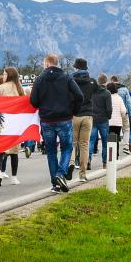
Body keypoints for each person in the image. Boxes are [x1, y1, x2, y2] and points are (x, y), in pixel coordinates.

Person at [30, 54, 83, 193]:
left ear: (47, 64)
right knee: (67, 148)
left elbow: (33, 101)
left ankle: (56, 184)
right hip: (64, 118)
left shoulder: (39, 80)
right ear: (56, 63)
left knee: (51, 152)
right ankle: (60, 174)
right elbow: (79, 95)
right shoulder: (66, 78)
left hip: (47, 120)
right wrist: (73, 110)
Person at [0, 67, 28, 186]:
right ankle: (14, 177)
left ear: (9, 75)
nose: (3, 76)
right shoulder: (19, 88)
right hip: (15, 123)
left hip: (2, 122)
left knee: (1, 149)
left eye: (4, 74)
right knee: (14, 152)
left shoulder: (0, 88)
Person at [66, 58, 96, 182]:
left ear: (76, 68)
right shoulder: (92, 81)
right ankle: (82, 175)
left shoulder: (70, 80)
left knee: (72, 143)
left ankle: (71, 163)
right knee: (84, 145)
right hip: (88, 115)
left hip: (74, 115)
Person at [90, 73, 112, 169]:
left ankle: (88, 160)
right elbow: (109, 109)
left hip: (93, 119)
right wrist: (108, 116)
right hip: (103, 120)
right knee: (104, 142)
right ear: (106, 82)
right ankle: (104, 162)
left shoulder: (92, 92)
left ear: (98, 81)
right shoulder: (107, 93)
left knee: (91, 141)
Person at [107, 82, 128, 160]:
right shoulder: (119, 98)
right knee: (116, 139)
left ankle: (110, 155)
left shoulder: (107, 97)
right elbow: (123, 110)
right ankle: (116, 155)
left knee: (109, 140)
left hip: (108, 122)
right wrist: (121, 117)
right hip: (117, 123)